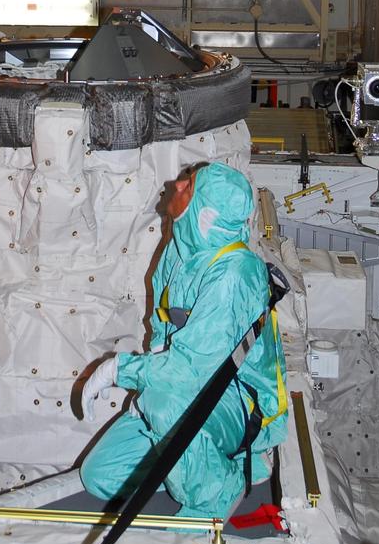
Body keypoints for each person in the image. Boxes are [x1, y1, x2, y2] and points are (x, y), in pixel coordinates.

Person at [78, 162, 288, 519]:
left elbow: (191, 369)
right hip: (188, 389)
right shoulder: (180, 251)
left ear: (206, 211)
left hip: (240, 403)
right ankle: (199, 461)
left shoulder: (234, 275)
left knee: (165, 401)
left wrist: (121, 371)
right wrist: (150, 382)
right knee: (102, 474)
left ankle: (220, 491)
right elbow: (165, 336)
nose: (175, 186)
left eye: (188, 185)